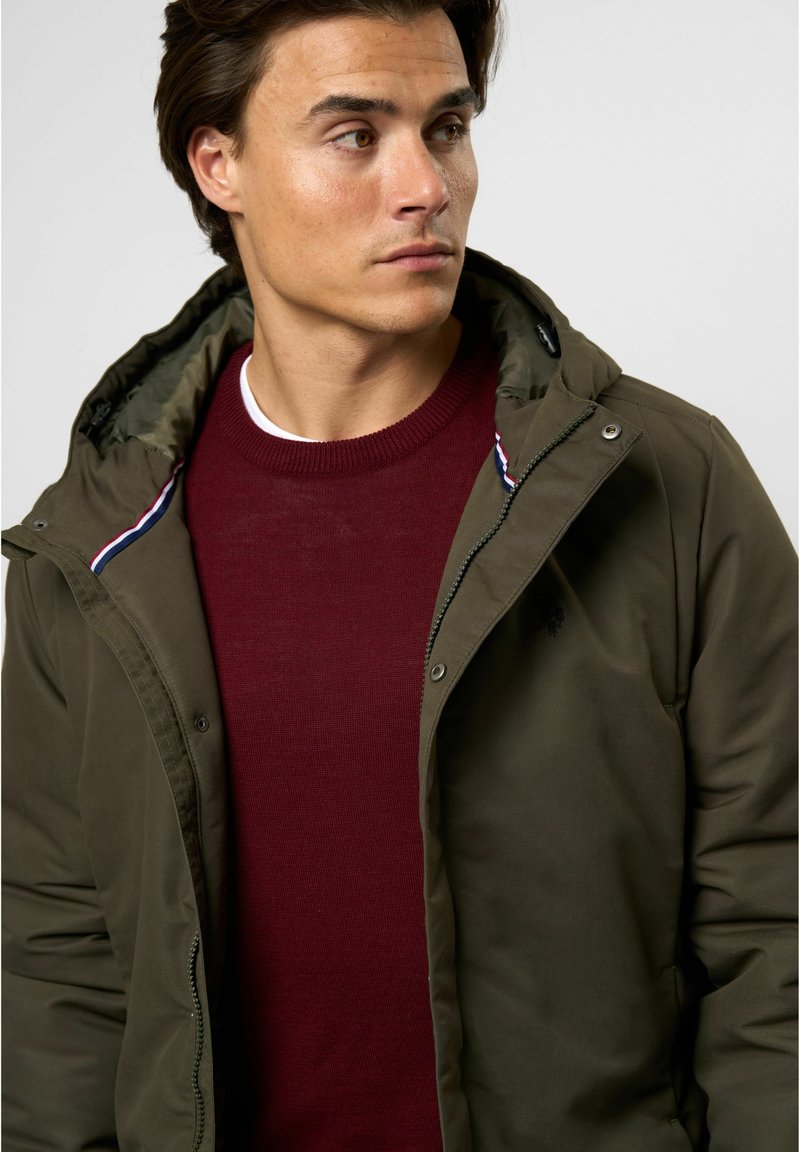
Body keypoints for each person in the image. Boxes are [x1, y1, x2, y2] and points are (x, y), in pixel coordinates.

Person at [2, 1, 795, 1149]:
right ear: (219, 164)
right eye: (354, 135)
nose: (426, 186)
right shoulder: (97, 544)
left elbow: (775, 926)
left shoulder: (667, 485)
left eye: (447, 128)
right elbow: (57, 968)